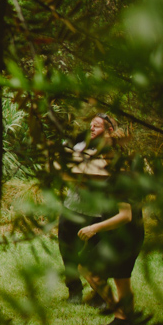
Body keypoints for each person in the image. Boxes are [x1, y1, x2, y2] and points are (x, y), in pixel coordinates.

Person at [76, 121, 145, 325]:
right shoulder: (120, 173)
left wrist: (93, 228)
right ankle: (124, 319)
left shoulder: (121, 177)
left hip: (124, 234)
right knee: (121, 278)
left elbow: (125, 216)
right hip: (128, 233)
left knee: (89, 269)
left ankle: (119, 312)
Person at [58, 113, 114, 304]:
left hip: (97, 214)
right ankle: (74, 291)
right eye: (90, 125)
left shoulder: (113, 153)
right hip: (71, 208)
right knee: (67, 251)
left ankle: (99, 295)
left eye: (96, 126)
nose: (91, 128)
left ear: (109, 130)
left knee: (95, 257)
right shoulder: (80, 146)